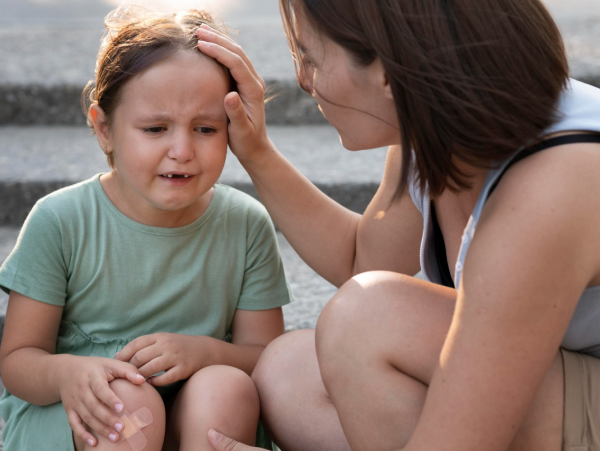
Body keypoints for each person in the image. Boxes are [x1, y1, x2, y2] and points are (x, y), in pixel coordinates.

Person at [195, 0, 600, 450]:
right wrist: (256, 151)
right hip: (565, 380)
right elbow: (360, 258)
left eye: (310, 59)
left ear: (387, 72)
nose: (303, 81)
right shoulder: (437, 136)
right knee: (287, 372)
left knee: (365, 320)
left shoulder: (549, 189)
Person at [0, 6, 291, 451]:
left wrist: (204, 352)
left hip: (189, 415)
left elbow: (266, 356)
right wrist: (68, 373)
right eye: (156, 128)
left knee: (226, 388)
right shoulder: (60, 221)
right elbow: (18, 361)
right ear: (104, 129)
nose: (182, 149)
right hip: (85, 413)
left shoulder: (245, 224)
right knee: (130, 402)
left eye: (205, 128)